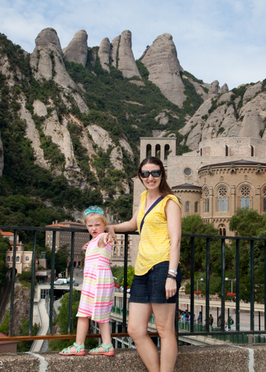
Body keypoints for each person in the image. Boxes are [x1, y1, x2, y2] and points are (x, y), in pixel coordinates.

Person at [107, 156, 182, 372]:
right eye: (146, 173)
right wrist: (112, 227)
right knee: (135, 329)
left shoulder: (170, 201)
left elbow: (175, 240)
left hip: (162, 266)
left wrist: (171, 275)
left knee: (164, 329)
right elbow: (134, 223)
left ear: (162, 174)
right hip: (141, 269)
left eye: (155, 173)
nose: (151, 177)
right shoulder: (143, 197)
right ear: (140, 176)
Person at [59, 206, 115, 357]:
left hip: (96, 281)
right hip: (99, 281)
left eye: (97, 225)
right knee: (102, 315)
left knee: (84, 313)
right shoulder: (93, 242)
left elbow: (104, 239)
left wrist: (106, 235)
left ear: (104, 225)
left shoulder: (103, 237)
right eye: (90, 226)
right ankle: (107, 345)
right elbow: (96, 248)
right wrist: (86, 248)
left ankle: (79, 345)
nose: (93, 228)